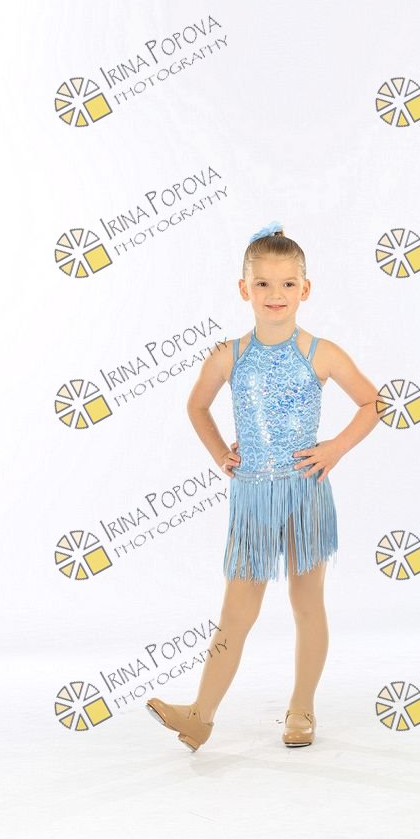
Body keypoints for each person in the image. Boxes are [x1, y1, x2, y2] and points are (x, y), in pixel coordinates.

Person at [145, 221, 383, 751]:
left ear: (305, 289)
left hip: (304, 492)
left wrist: (335, 448)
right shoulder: (228, 355)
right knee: (237, 609)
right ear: (243, 288)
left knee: (306, 603)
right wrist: (220, 454)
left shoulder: (321, 352)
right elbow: (197, 406)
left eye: (287, 284)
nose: (276, 294)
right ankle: (200, 715)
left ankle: (301, 709)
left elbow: (373, 402)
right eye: (263, 284)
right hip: (252, 497)